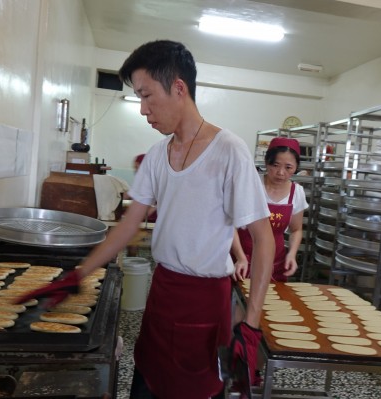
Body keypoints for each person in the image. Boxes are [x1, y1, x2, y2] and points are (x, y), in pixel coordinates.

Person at [18, 40, 275, 399]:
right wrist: (79, 273)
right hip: (163, 292)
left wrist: (251, 325)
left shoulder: (229, 151)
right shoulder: (157, 155)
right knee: (147, 384)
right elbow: (127, 226)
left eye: (146, 95)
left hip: (204, 301)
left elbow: (264, 239)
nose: (142, 109)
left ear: (179, 88)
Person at [232, 137, 308, 282]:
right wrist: (240, 257)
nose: (280, 172)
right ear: (266, 162)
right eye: (275, 165)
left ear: (296, 167)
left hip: (275, 263)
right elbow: (231, 226)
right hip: (241, 259)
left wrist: (291, 254)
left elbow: (296, 230)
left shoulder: (296, 193)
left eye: (288, 167)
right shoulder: (251, 186)